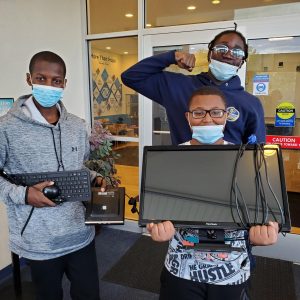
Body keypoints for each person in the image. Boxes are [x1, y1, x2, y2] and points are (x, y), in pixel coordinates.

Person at [146, 86, 279, 300]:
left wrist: (267, 229)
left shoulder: (247, 161)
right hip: (182, 268)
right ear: (188, 117)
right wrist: (155, 225)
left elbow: (267, 211)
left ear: (226, 116)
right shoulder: (168, 159)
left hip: (231, 271)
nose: (208, 119)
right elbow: (156, 209)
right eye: (199, 113)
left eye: (216, 112)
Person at [0, 51, 105, 300]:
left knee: (89, 295)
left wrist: (93, 178)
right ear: (29, 79)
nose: (49, 85)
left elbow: (77, 167)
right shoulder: (6, 128)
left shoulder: (77, 125)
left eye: (56, 81)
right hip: (39, 241)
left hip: (80, 234)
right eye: (41, 78)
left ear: (64, 84)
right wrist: (24, 194)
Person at [121, 29, 266, 145]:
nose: (228, 54)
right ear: (210, 54)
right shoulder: (178, 86)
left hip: (231, 178)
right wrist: (172, 57)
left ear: (241, 62)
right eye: (222, 48)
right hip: (184, 173)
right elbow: (131, 77)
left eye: (237, 52)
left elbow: (256, 153)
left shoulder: (251, 103)